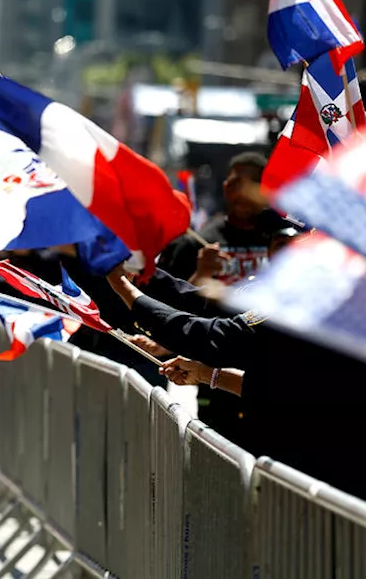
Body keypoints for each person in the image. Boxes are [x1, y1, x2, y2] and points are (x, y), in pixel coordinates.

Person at [104, 265, 366, 498]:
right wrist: (208, 375)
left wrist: (124, 289)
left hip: (319, 481)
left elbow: (213, 338)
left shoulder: (310, 300)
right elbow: (283, 388)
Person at [158, 152, 279, 286]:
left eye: (253, 186)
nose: (243, 194)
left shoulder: (284, 241)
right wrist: (201, 275)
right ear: (225, 188)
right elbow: (168, 301)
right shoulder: (197, 243)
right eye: (237, 184)